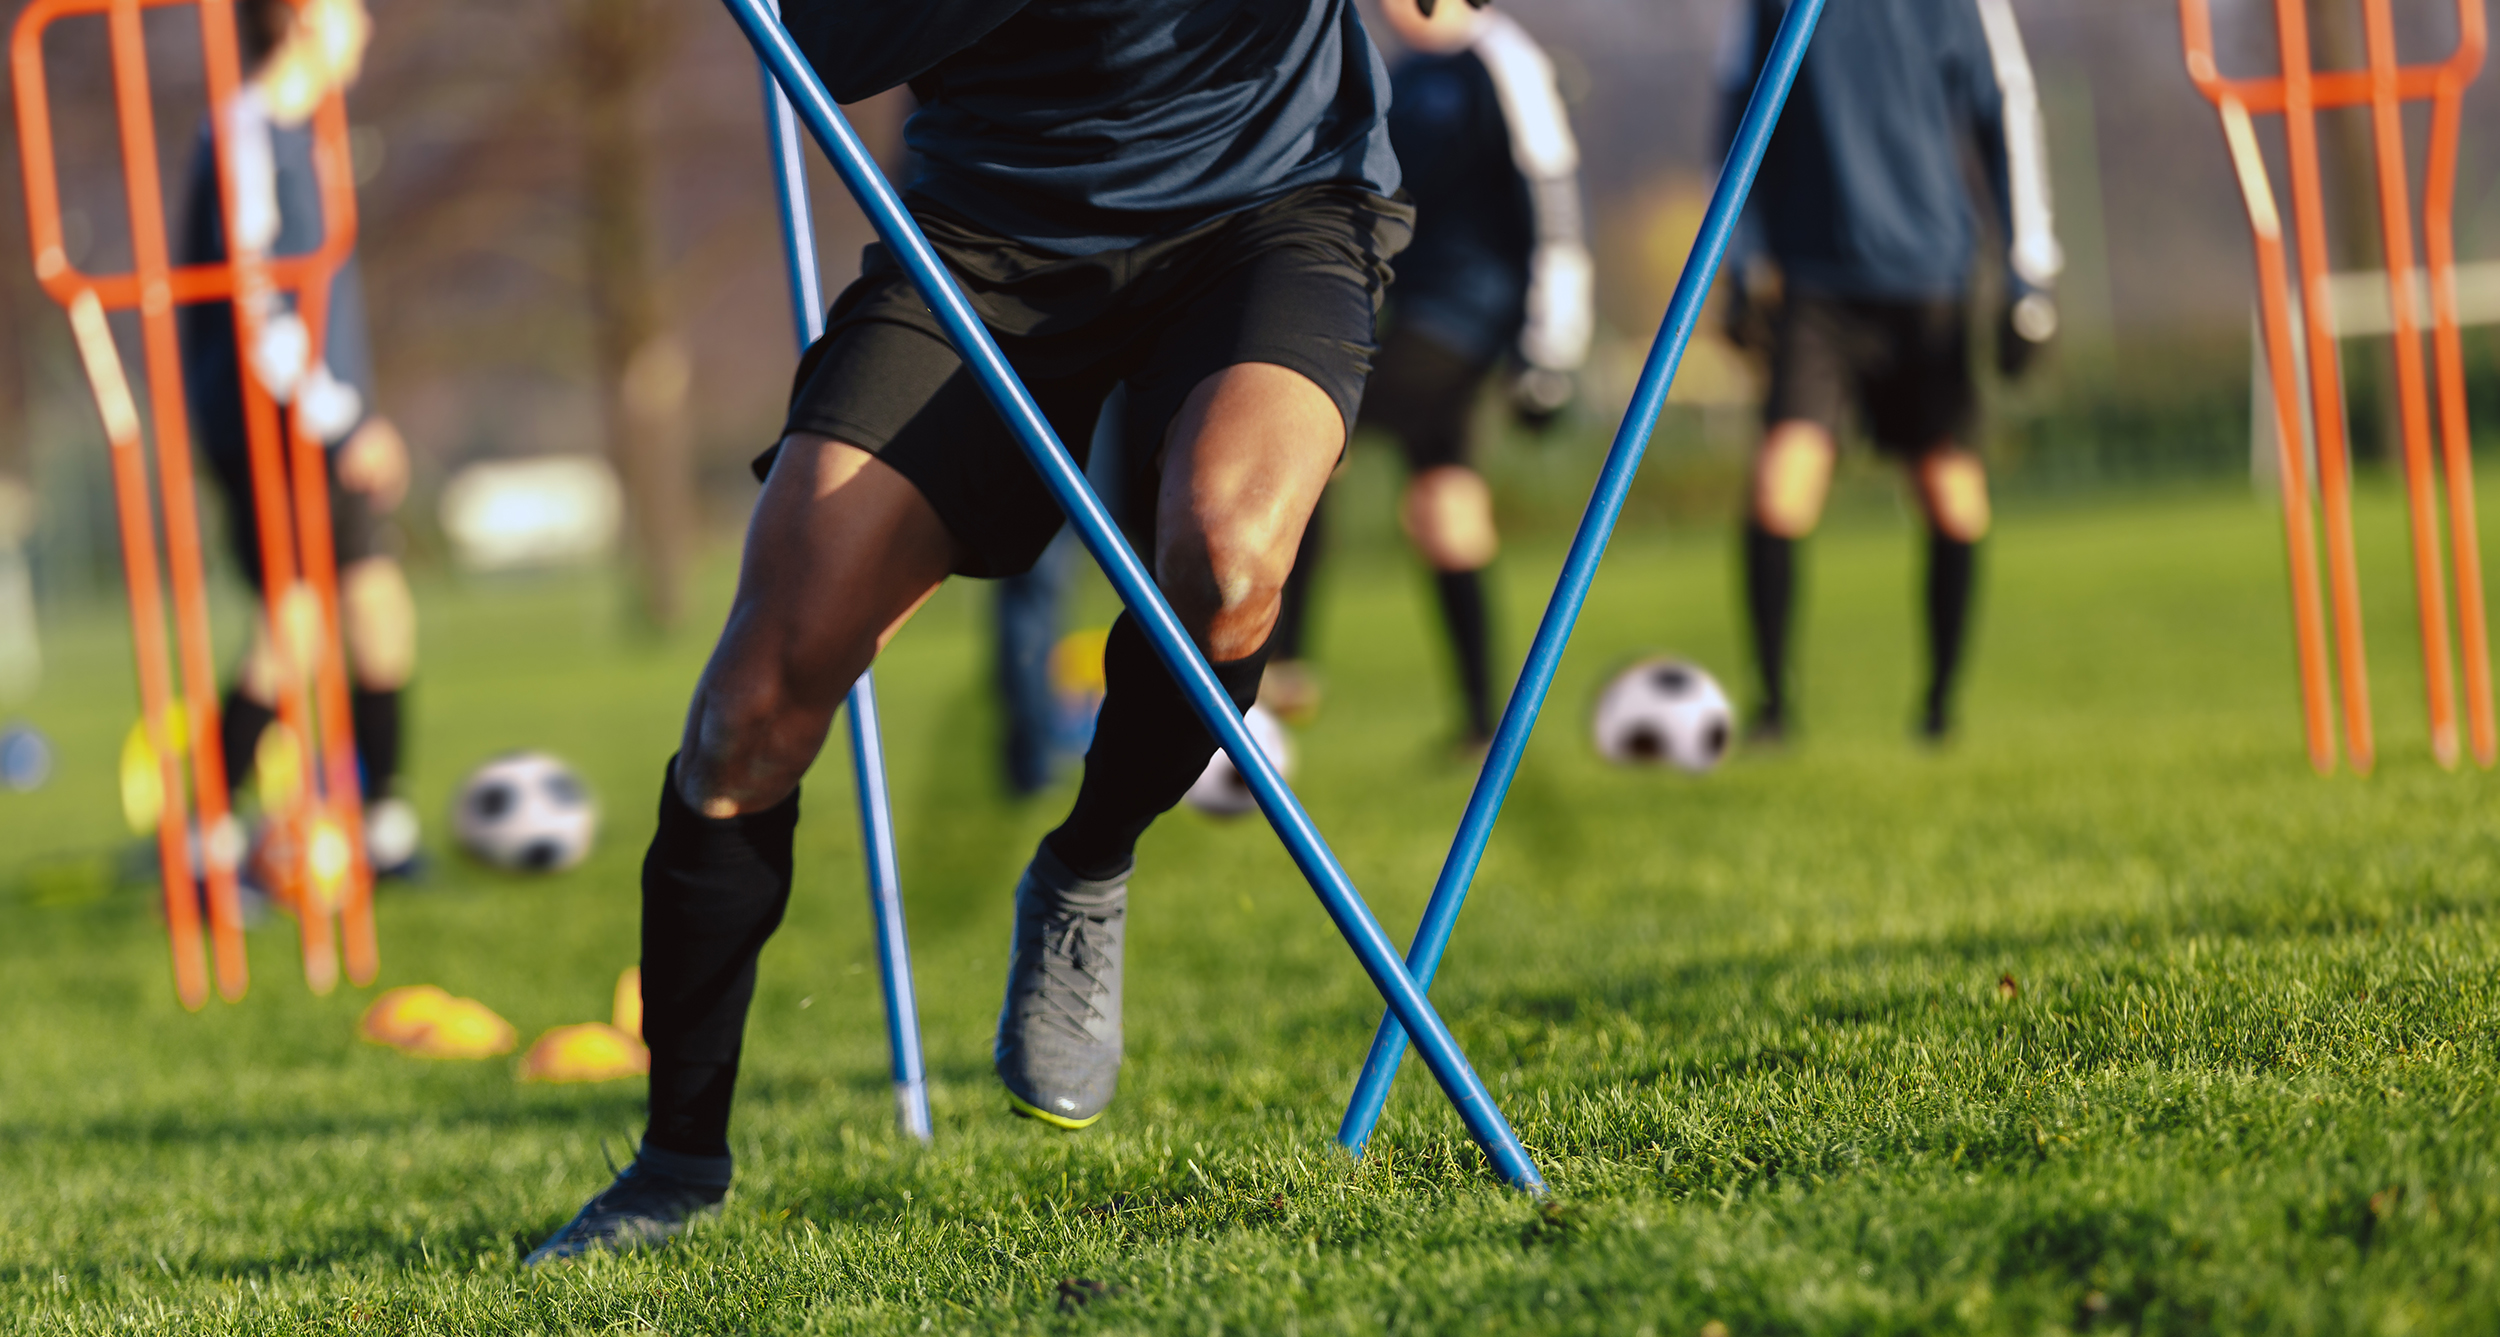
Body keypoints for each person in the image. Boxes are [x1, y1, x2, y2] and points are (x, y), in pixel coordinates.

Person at [526, 0, 1418, 1263]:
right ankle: (674, 1166)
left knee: (1224, 560)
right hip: (981, 243)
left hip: (1266, 206)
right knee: (754, 706)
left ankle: (1087, 863)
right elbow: (834, 46)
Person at [1717, 0, 2060, 744]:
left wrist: (2029, 274)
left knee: (1950, 491)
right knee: (1780, 484)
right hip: (1817, 285)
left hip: (1930, 282)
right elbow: (1738, 120)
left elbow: (2006, 109)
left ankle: (1940, 706)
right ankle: (1774, 708)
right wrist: (1741, 263)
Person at [1265, 0, 1591, 748]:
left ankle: (1284, 666)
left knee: (1312, 434)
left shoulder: (1501, 59)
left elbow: (1552, 197)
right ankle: (1485, 720)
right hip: (1414, 315)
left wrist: (1554, 345)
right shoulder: (1405, 74)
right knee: (1446, 506)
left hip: (1470, 318)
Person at [175, 0, 420, 872]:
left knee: (376, 609)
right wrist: (345, 418)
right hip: (269, 420)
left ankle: (384, 828)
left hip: (319, 415)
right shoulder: (246, 131)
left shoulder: (315, 133)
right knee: (295, 630)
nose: (368, 28)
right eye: (353, 11)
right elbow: (256, 308)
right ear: (304, 18)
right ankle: (202, 834)